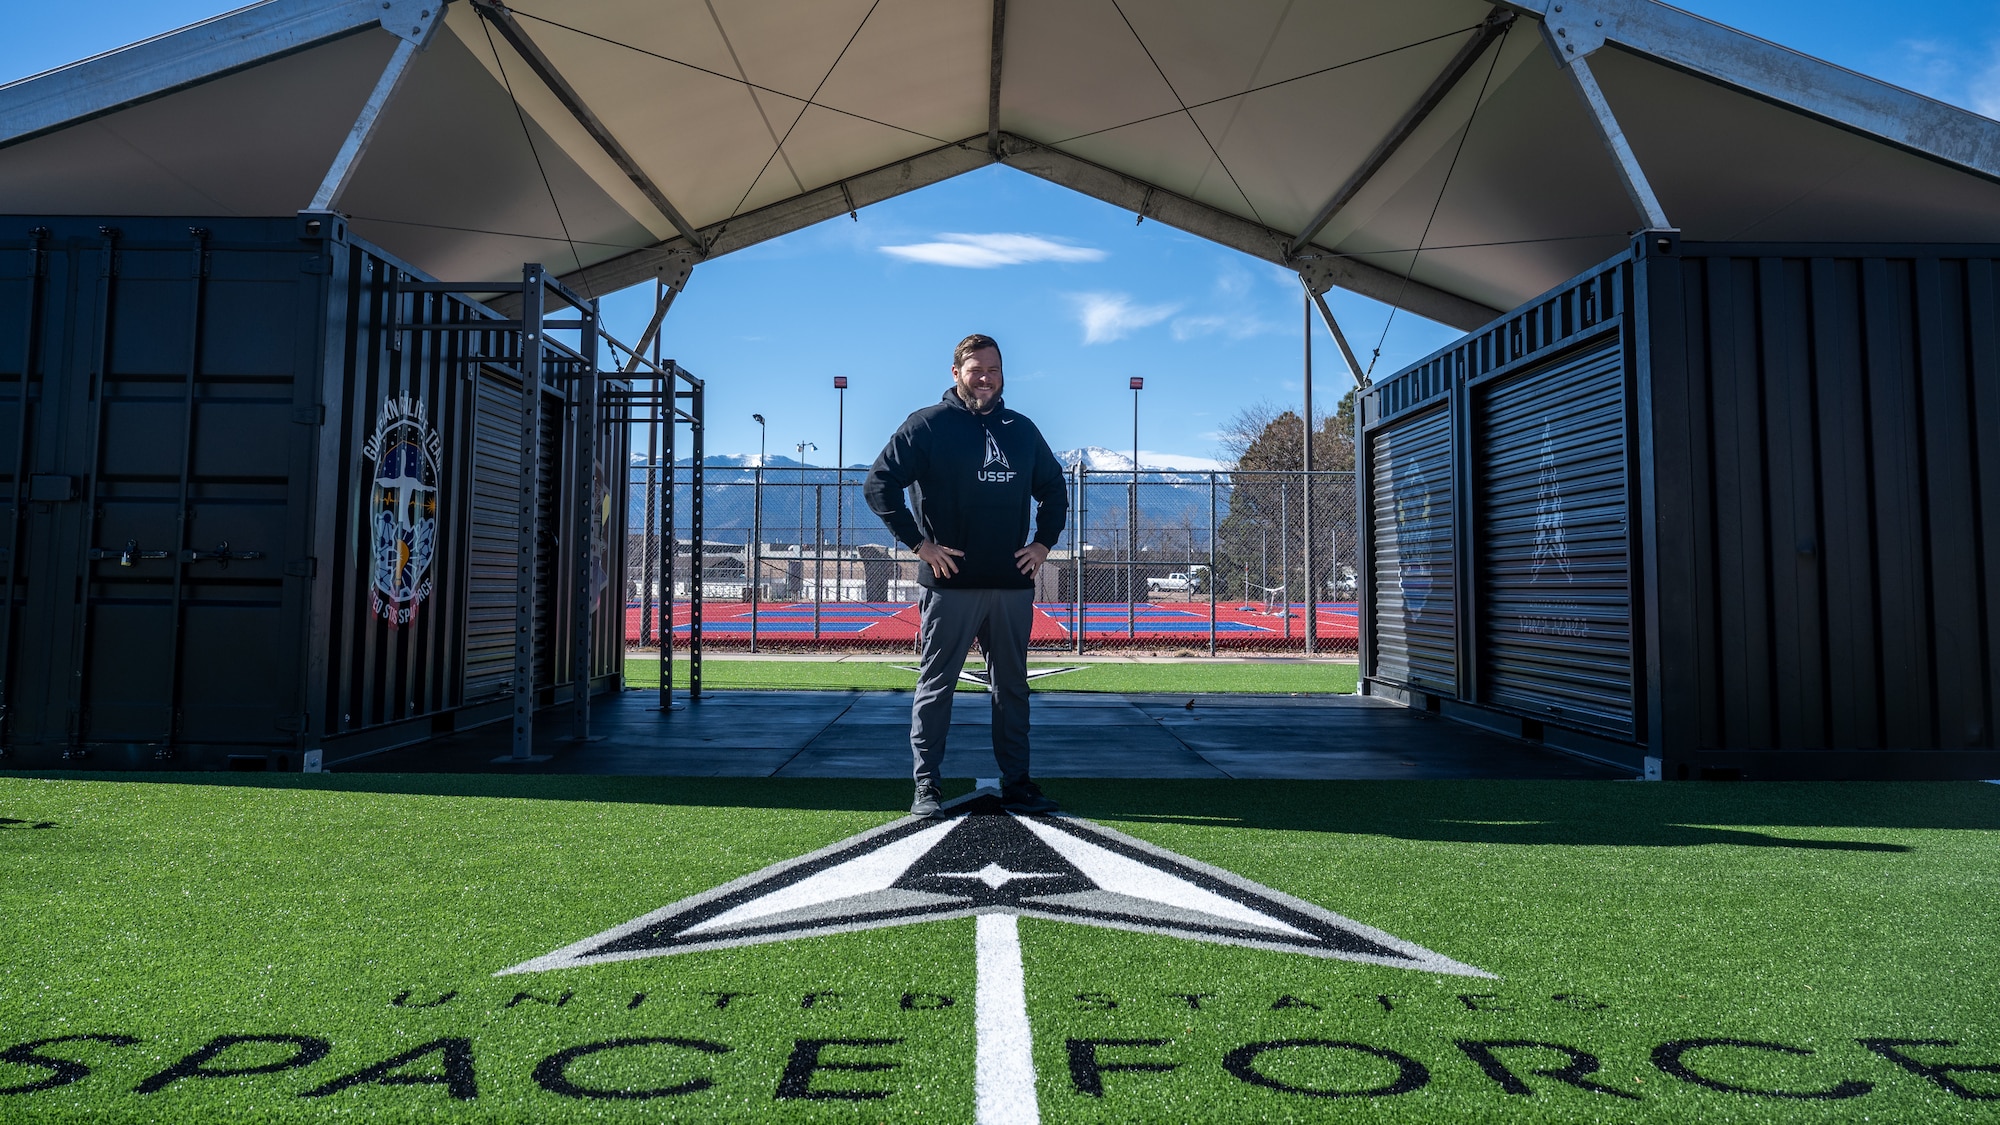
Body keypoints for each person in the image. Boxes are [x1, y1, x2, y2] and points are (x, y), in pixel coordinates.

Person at [864, 334, 1069, 817]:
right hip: (951, 584)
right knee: (937, 684)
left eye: (994, 369)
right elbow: (879, 484)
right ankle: (926, 785)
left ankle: (1017, 782)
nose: (986, 378)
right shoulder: (928, 425)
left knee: (1013, 689)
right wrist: (921, 545)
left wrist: (1042, 545)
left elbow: (1055, 489)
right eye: (976, 369)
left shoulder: (1021, 429)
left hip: (1010, 585)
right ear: (955, 372)